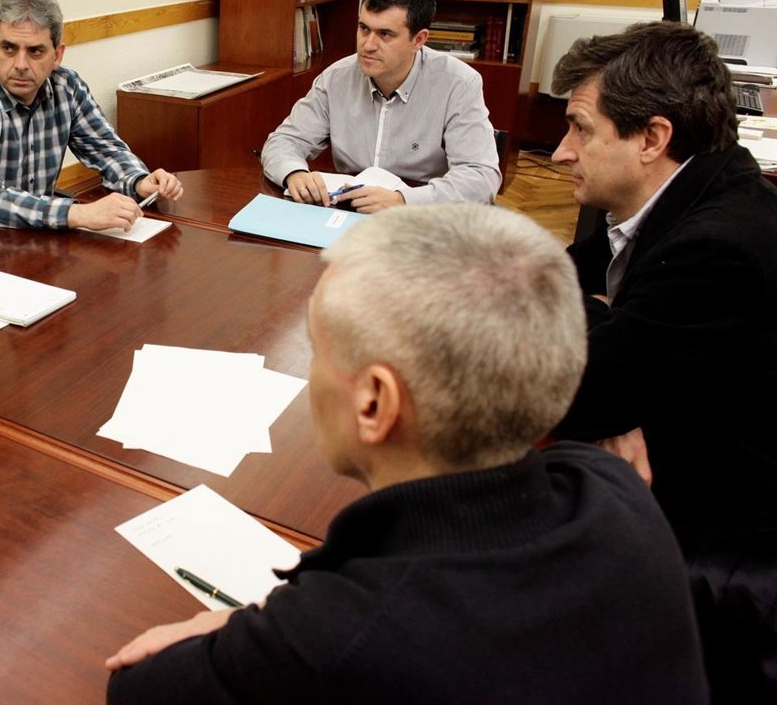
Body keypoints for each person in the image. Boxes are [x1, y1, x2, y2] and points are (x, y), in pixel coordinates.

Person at [105, 204, 707, 704]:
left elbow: (136, 684)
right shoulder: (612, 487)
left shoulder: (339, 636)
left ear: (374, 403)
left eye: (316, 349)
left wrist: (242, 629)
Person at [548, 21, 777, 701]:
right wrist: (617, 370)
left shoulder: (720, 244)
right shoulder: (674, 190)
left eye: (581, 129)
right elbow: (550, 278)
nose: (560, 153)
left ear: (651, 138)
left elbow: (579, 389)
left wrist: (612, 382)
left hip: (730, 544)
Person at [0, 0, 183, 248]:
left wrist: (138, 180)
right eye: (9, 48)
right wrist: (80, 213)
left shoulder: (67, 86)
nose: (20, 64)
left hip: (28, 237)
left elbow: (107, 149)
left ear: (57, 55)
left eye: (35, 51)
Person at [260, 0, 501, 212]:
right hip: (348, 211)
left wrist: (402, 200)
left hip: (422, 216)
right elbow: (284, 141)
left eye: (385, 34)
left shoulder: (458, 83)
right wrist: (294, 172)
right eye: (364, 28)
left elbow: (481, 177)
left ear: (419, 40)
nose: (368, 45)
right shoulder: (336, 78)